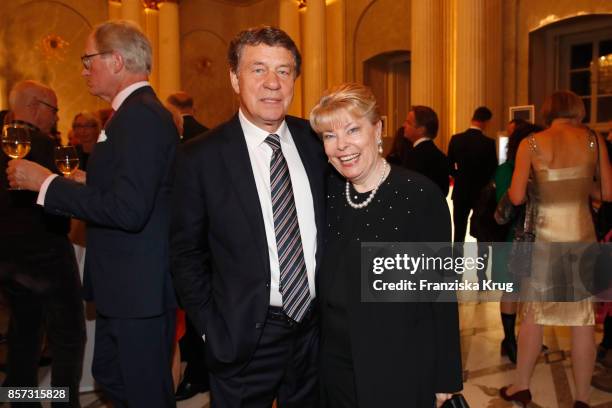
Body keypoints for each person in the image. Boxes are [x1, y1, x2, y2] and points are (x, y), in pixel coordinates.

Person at [7, 20, 179, 407]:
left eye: (88, 60)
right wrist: (88, 182)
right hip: (121, 285)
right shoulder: (128, 115)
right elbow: (129, 192)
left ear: (116, 61)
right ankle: (26, 399)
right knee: (110, 376)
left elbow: (130, 210)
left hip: (138, 289)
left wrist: (47, 184)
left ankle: (42, 400)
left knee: (140, 391)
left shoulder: (141, 116)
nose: (83, 71)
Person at [170, 26, 326, 407]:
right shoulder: (199, 158)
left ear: (295, 80)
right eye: (258, 69)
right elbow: (184, 254)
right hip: (242, 337)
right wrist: (210, 329)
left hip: (315, 333)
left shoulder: (318, 143)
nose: (272, 83)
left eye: (284, 71)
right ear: (234, 79)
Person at [309, 83, 462, 407]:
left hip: (399, 361)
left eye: (352, 129)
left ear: (377, 130)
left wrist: (445, 375)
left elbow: (440, 291)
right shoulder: (328, 193)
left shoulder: (419, 196)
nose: (342, 146)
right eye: (329, 136)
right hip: (335, 363)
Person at [500, 91, 612, 408]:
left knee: (534, 314)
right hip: (581, 234)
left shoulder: (531, 144)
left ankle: (521, 386)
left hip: (546, 238)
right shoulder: (593, 140)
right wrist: (581, 187)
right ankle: (581, 399)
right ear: (578, 110)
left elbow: (517, 197)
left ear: (548, 112)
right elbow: (608, 191)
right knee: (583, 322)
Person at [0, 80, 85, 407]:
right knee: (68, 336)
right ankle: (64, 403)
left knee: (23, 336)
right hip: (45, 256)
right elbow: (61, 207)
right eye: (54, 110)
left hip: (6, 261)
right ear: (35, 107)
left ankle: (22, 401)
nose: (56, 117)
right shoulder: (46, 147)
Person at [493, 121, 543, 365]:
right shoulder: (507, 170)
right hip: (516, 238)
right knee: (512, 289)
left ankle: (526, 337)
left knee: (530, 289)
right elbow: (507, 205)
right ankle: (509, 339)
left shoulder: (540, 167)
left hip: (538, 237)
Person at [447, 106, 498, 243]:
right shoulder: (489, 143)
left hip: (461, 192)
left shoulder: (456, 139)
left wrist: (459, 175)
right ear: (486, 122)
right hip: (481, 194)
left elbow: (449, 165)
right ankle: (481, 263)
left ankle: (457, 263)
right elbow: (493, 170)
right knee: (481, 234)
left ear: (472, 119)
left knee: (459, 233)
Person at [402, 105, 450, 196]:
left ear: (421, 130)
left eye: (408, 122)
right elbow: (444, 191)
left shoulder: (415, 156)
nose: (404, 125)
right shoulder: (441, 156)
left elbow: (408, 191)